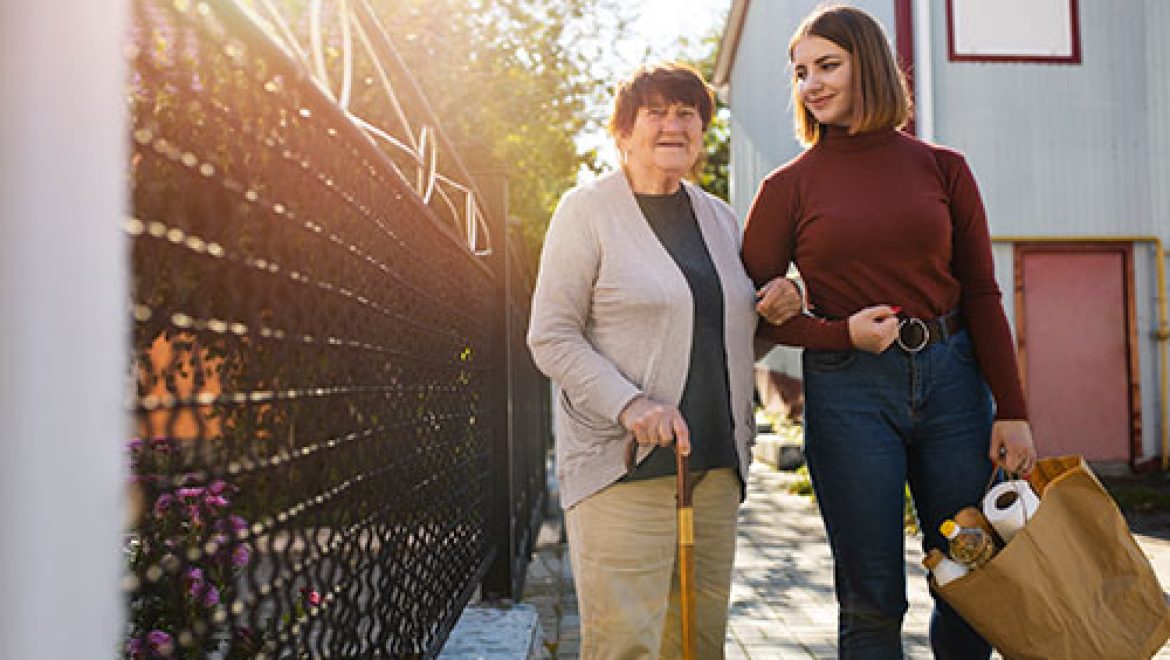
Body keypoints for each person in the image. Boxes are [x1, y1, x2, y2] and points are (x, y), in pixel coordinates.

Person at [743, 5, 1037, 659]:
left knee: (970, 577)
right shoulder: (786, 187)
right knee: (872, 597)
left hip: (956, 387)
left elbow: (983, 293)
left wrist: (1012, 410)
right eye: (799, 72)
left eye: (827, 66)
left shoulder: (944, 168)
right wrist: (836, 335)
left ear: (868, 65)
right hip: (850, 396)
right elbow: (748, 314)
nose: (811, 84)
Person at [527, 62, 801, 658]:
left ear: (702, 132)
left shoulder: (720, 216)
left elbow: (730, 337)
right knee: (628, 647)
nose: (673, 125)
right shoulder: (586, 211)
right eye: (655, 112)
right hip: (624, 468)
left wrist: (782, 304)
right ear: (623, 132)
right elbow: (551, 335)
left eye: (688, 113)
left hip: (714, 469)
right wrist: (630, 404)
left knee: (700, 646)